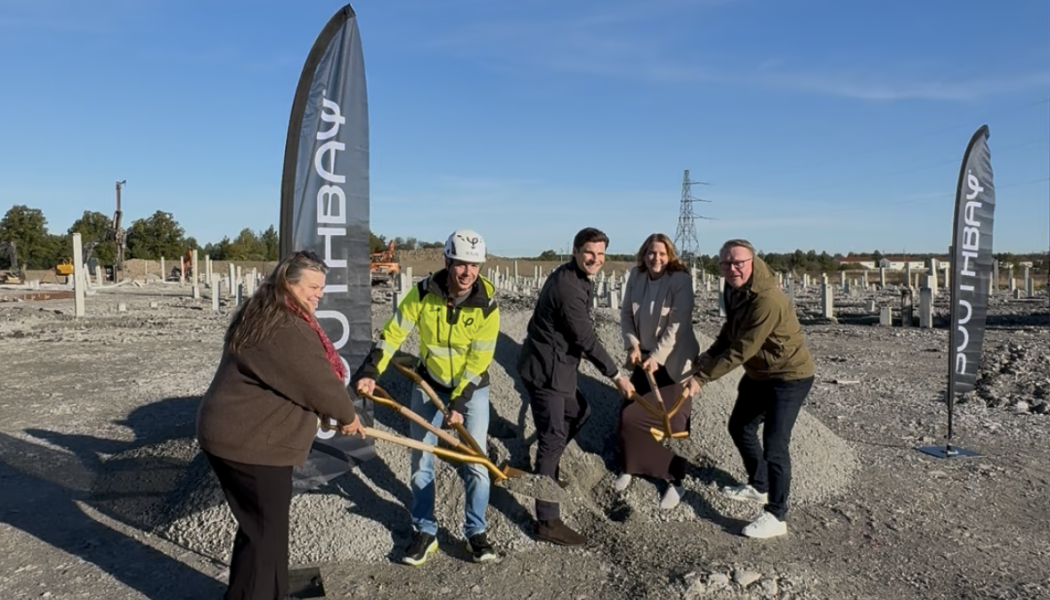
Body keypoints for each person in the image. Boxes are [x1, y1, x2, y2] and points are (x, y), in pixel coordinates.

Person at [196, 250, 364, 600]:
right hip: (252, 445)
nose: (319, 293)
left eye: (322, 287)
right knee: (265, 535)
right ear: (289, 283)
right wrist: (347, 417)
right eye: (312, 286)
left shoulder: (267, 309)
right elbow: (317, 382)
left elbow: (297, 381)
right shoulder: (286, 325)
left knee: (261, 532)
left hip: (238, 437)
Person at [353, 229, 500, 566]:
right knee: (421, 460)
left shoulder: (487, 304)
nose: (468, 273)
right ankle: (425, 531)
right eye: (461, 264)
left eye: (475, 266)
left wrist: (459, 404)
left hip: (472, 389)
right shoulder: (422, 293)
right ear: (447, 261)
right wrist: (370, 372)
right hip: (428, 382)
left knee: (476, 461)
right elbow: (393, 333)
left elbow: (480, 361)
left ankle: (475, 533)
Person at [517, 226, 636, 546]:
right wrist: (617, 376)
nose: (595, 259)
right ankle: (547, 521)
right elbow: (585, 336)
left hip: (557, 365)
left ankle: (548, 466)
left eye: (600, 255)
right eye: (589, 253)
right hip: (547, 372)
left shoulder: (574, 276)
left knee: (580, 411)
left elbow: (570, 330)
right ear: (575, 251)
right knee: (552, 438)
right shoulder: (568, 286)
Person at [689, 239, 815, 539]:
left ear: (752, 261)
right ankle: (759, 486)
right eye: (726, 264)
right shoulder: (733, 288)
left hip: (788, 376)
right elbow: (731, 329)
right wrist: (711, 351)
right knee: (740, 427)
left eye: (739, 263)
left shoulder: (767, 299)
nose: (732, 269)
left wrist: (701, 378)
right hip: (760, 374)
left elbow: (743, 348)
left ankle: (776, 515)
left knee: (775, 443)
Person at [615, 233, 701, 509]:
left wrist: (657, 357)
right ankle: (633, 466)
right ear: (644, 254)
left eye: (662, 253)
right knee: (627, 417)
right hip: (644, 360)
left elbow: (678, 324)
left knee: (667, 423)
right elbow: (626, 314)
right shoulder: (636, 276)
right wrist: (633, 345)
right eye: (652, 253)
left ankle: (676, 476)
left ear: (670, 255)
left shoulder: (680, 281)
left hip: (673, 362)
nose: (656, 258)